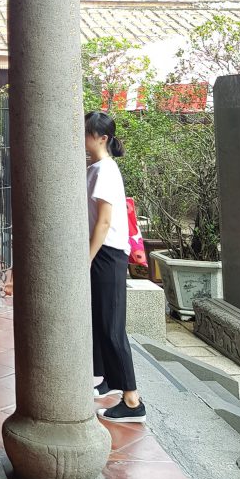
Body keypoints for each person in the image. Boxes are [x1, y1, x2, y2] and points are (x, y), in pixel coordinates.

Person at [85, 111, 146, 423]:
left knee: (111, 326)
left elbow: (105, 221)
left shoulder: (106, 170)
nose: (81, 138)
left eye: (86, 133)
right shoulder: (94, 167)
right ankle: (107, 379)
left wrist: (88, 258)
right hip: (102, 253)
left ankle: (133, 401)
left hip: (107, 254)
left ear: (102, 138)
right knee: (100, 320)